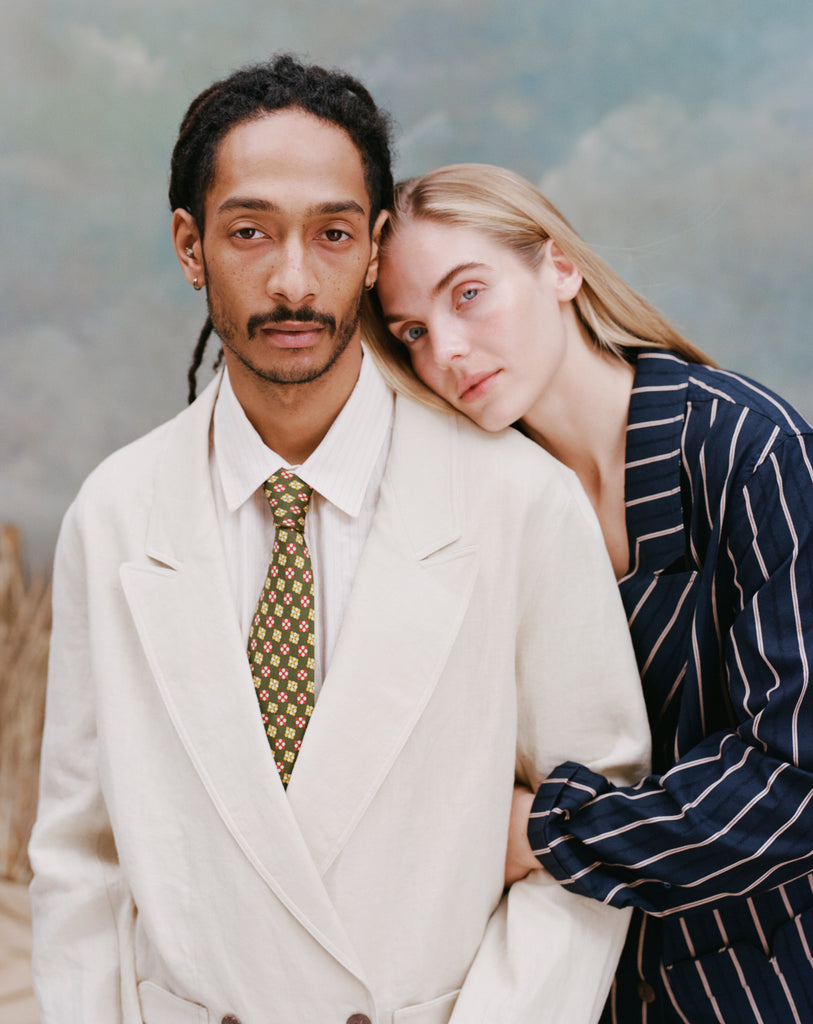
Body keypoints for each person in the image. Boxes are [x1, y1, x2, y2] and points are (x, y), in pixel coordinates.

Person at [28, 61, 651, 1024]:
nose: (291, 280)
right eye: (248, 232)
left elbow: (589, 827)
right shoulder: (114, 513)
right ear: (190, 247)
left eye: (331, 234)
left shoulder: (519, 504)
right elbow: (81, 860)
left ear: (373, 250)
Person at [368, 161, 813, 1024]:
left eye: (468, 294)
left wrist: (537, 832)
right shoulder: (478, 504)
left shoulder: (747, 451)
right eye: (412, 332)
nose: (447, 350)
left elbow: (794, 784)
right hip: (572, 984)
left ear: (559, 267)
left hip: (768, 983)